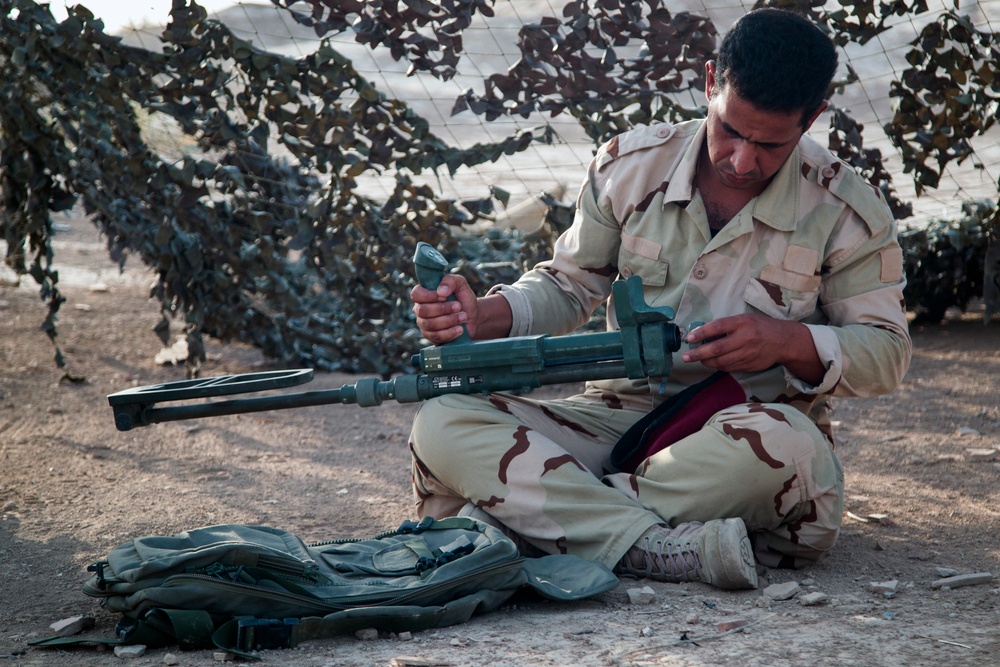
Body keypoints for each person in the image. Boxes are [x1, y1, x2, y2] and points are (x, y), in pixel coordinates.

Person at [407, 8, 911, 590]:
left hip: (736, 438)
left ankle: (530, 521)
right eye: (730, 130)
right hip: (616, 424)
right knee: (443, 419)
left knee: (793, 449)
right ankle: (648, 546)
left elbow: (886, 355)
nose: (743, 160)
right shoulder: (629, 169)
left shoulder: (846, 210)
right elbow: (568, 285)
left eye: (770, 145)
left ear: (813, 118)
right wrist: (483, 314)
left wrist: (786, 342)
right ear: (708, 84)